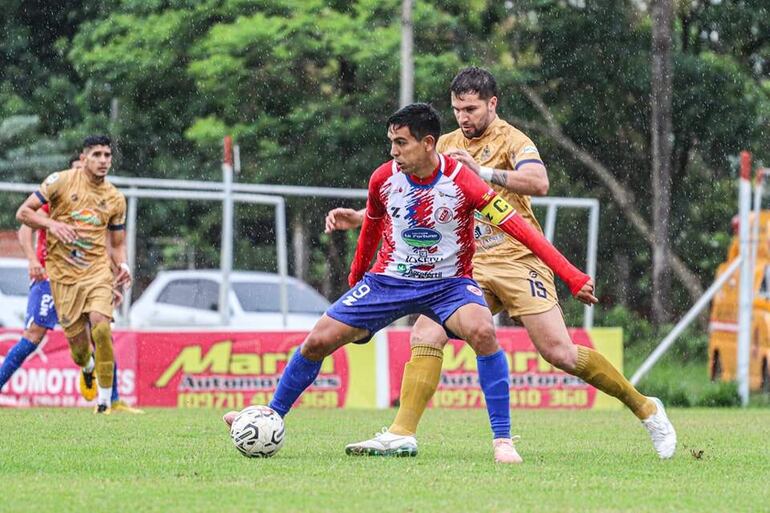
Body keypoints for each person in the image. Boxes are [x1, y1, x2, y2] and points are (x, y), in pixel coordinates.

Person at [329, 67, 676, 460]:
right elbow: (405, 191)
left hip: (518, 259)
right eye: (458, 108)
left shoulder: (514, 139)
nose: (464, 117)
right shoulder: (439, 143)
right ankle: (402, 433)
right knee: (426, 334)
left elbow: (539, 182)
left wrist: (485, 172)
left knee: (559, 352)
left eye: (472, 108)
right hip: (467, 266)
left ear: (492, 104)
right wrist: (361, 217)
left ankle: (646, 408)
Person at [226, 103, 597, 463]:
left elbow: (521, 230)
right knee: (317, 340)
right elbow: (370, 231)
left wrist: (572, 277)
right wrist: (355, 283)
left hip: (449, 285)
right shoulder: (383, 178)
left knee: (483, 331)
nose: (394, 152)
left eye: (401, 143)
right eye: (391, 142)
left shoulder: (464, 182)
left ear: (428, 143)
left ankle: (502, 441)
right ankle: (270, 415)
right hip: (389, 282)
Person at [0, 155, 142, 413]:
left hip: (88, 277)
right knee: (35, 334)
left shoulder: (100, 202)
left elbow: (101, 247)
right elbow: (24, 226)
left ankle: (112, 400)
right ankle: (87, 369)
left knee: (101, 328)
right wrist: (32, 260)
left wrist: (112, 279)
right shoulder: (57, 194)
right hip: (51, 276)